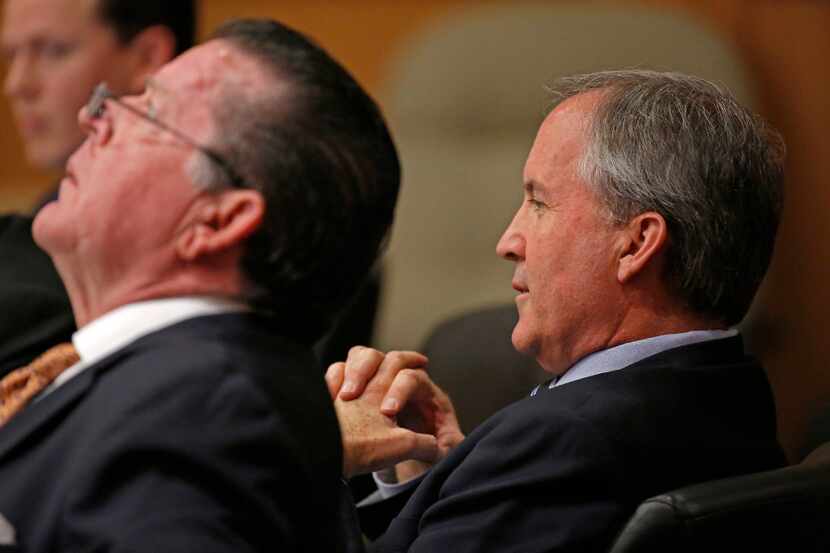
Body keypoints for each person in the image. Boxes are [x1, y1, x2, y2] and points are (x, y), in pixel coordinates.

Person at [330, 70, 788, 551]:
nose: (508, 241)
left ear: (635, 244)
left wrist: (316, 466)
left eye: (538, 202)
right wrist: (437, 479)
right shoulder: (737, 395)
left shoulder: (563, 443)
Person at [0, 18, 400, 553]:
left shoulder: (205, 412)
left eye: (144, 110)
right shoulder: (170, 385)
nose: (93, 118)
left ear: (217, 221)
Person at [0, 0, 197, 374]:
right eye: (11, 55)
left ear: (147, 56)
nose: (17, 85)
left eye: (53, 51)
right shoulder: (31, 236)